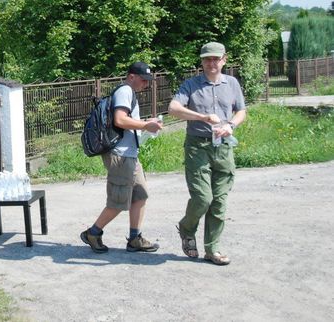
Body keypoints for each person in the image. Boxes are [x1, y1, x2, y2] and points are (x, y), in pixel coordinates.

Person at [168, 42, 246, 266]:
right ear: (202, 61)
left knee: (219, 202)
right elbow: (173, 108)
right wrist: (201, 117)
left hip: (223, 146)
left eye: (215, 59)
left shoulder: (232, 83)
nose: (211, 63)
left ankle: (212, 249)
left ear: (224, 60)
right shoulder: (191, 85)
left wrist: (230, 125)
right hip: (197, 147)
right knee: (203, 198)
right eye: (207, 59)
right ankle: (187, 228)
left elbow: (241, 110)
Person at [80, 62, 163, 253]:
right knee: (118, 201)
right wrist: (145, 126)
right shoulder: (125, 90)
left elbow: (127, 121)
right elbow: (120, 120)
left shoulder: (128, 93)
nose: (146, 84)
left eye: (147, 81)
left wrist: (146, 122)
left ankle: (135, 238)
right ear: (132, 76)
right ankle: (93, 233)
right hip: (120, 155)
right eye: (143, 80)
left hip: (130, 155)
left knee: (140, 195)